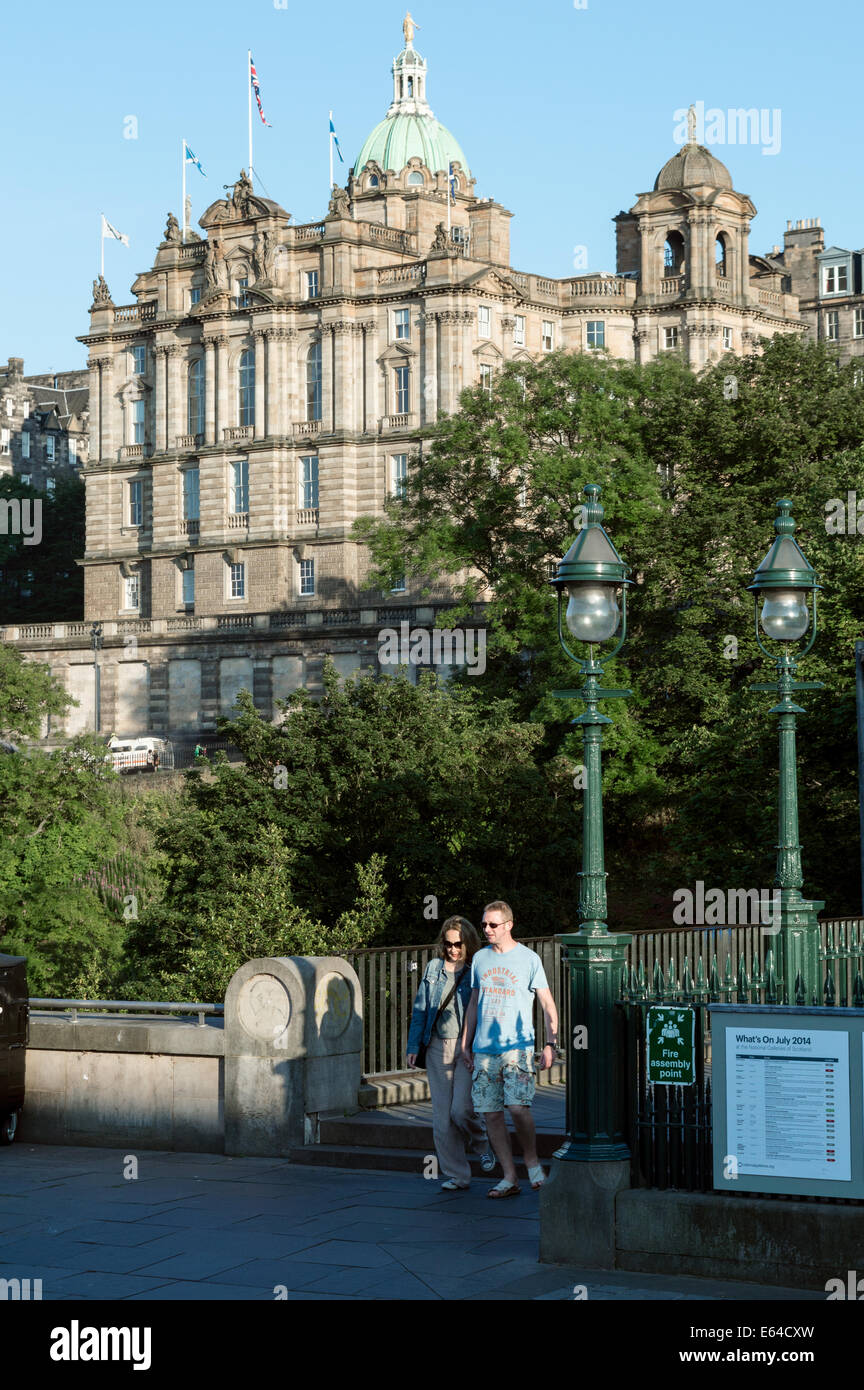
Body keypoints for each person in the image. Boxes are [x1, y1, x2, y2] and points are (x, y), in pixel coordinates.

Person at [460, 900, 558, 1199]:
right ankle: (509, 1176)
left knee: (517, 1107)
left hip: (516, 1046)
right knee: (490, 1114)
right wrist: (466, 1042)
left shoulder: (529, 959)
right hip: (484, 1049)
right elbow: (474, 1003)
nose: (486, 929)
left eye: (492, 924)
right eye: (484, 924)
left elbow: (547, 1003)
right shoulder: (480, 959)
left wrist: (551, 1042)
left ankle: (531, 1161)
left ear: (508, 925)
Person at [407, 917, 495, 1190]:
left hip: (467, 1047)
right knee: (442, 1119)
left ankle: (482, 1143)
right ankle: (458, 1175)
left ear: (467, 942)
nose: (453, 950)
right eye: (448, 944)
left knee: (462, 1110)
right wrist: (413, 1047)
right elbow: (421, 1009)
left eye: (458, 944)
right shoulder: (434, 968)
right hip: (436, 1047)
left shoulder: (476, 969)